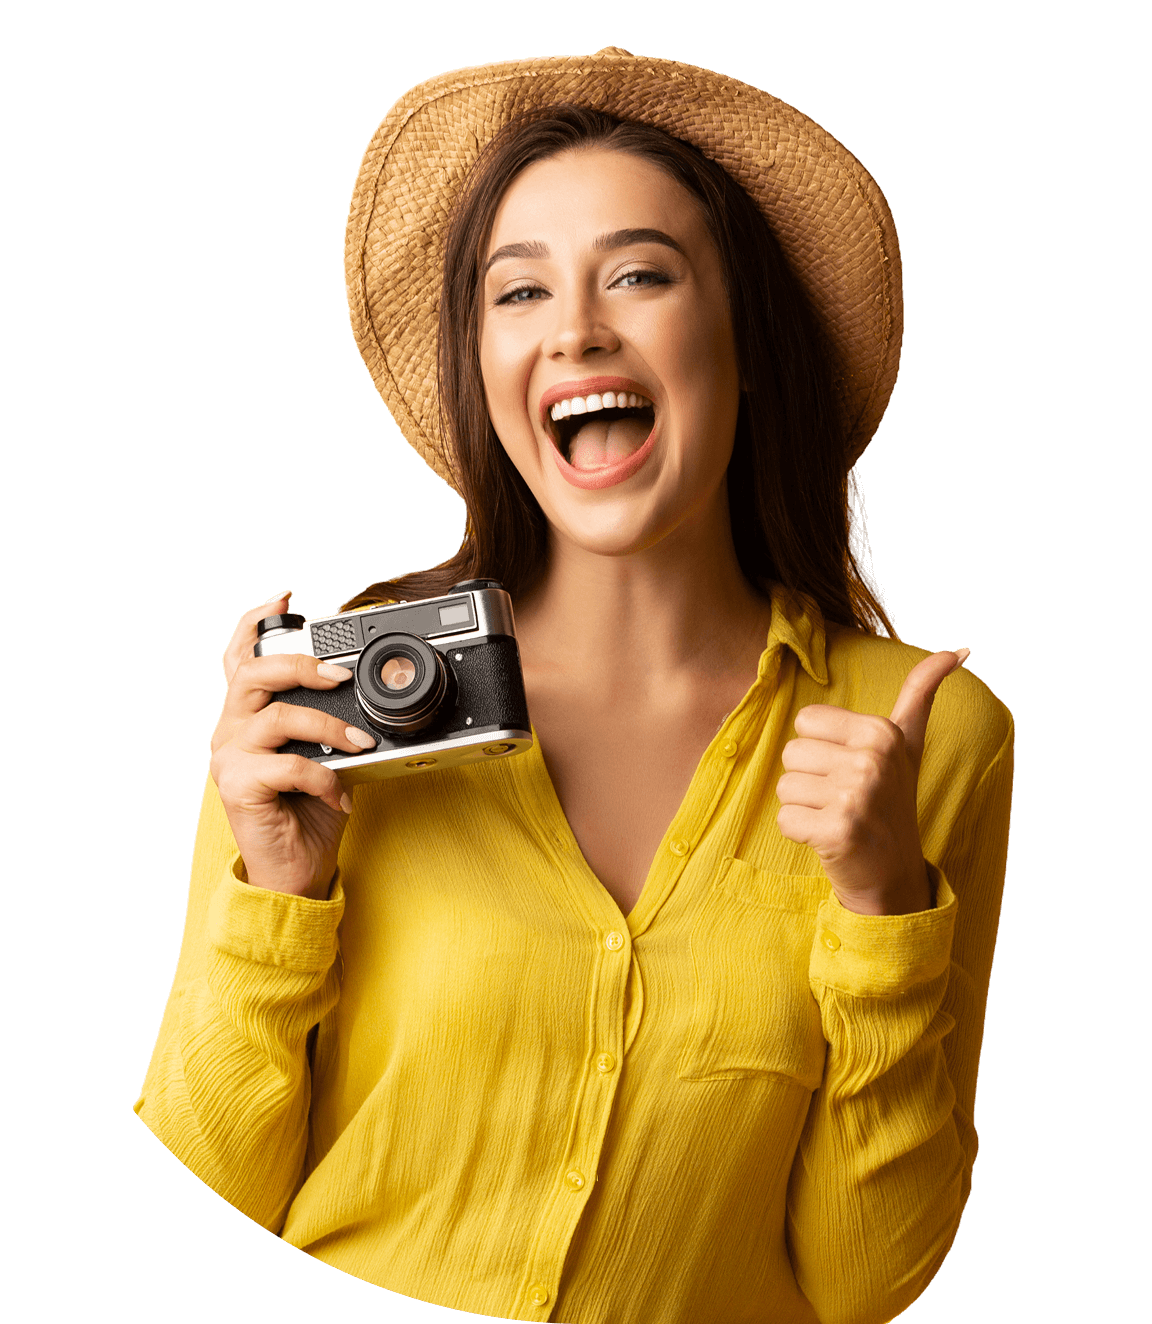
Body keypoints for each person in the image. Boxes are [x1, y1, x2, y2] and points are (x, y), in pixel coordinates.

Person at [135, 50, 1014, 1324]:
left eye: (641, 275)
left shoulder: (924, 737)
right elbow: (214, 1175)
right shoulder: (333, 700)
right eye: (520, 291)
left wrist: (884, 911)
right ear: (486, 368)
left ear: (748, 341)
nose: (577, 329)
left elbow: (867, 1284)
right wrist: (275, 891)